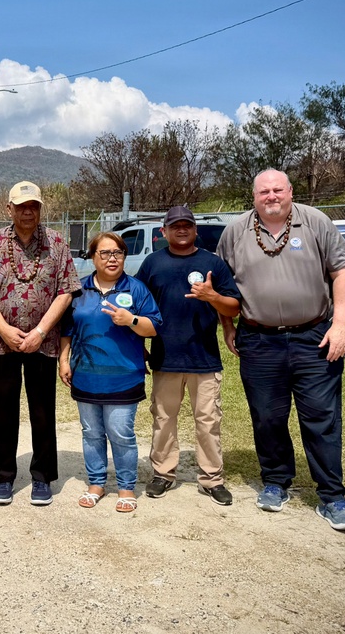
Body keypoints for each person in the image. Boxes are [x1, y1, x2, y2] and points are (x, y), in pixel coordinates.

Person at [216, 169, 345, 532]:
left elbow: (343, 271)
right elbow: (223, 285)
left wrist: (340, 325)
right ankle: (276, 482)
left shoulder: (315, 222)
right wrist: (229, 326)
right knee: (267, 416)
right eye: (263, 191)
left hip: (314, 337)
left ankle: (331, 497)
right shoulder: (235, 231)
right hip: (259, 340)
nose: (271, 196)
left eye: (277, 189)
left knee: (322, 418)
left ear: (290, 191)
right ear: (254, 197)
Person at [0, 181, 81, 507]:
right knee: (2, 410)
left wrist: (40, 331)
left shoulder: (57, 244)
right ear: (9, 209)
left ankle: (42, 476)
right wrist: (4, 328)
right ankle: (3, 477)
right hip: (2, 341)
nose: (27, 211)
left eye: (33, 206)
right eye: (21, 206)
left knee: (42, 410)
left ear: (40, 208)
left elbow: (66, 290)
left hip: (44, 343)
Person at [135, 206, 240, 505]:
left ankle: (211, 478)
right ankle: (163, 473)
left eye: (187, 225)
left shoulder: (212, 264)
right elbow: (138, 307)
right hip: (165, 356)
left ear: (195, 230)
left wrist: (213, 297)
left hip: (203, 357)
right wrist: (137, 343)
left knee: (208, 420)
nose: (181, 230)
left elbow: (234, 307)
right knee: (164, 418)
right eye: (175, 226)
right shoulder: (153, 263)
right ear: (164, 231)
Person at [59, 232, 161, 514]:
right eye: (104, 253)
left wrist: (132, 320)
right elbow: (67, 329)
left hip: (124, 376)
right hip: (86, 373)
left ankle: (126, 487)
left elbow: (153, 327)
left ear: (124, 257)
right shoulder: (78, 290)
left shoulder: (136, 289)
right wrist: (63, 360)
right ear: (93, 257)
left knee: (120, 432)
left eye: (117, 252)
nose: (112, 258)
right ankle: (96, 483)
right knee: (91, 432)